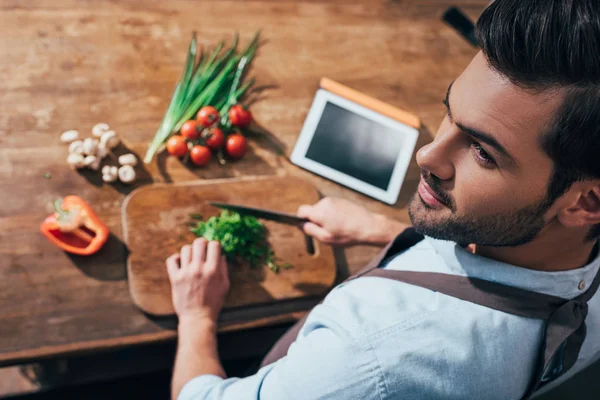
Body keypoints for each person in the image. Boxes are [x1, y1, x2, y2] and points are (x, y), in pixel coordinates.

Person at [166, 0, 600, 398]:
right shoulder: (554, 239)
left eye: (483, 152)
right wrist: (387, 233)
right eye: (449, 110)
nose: (426, 155)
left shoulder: (368, 357)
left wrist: (196, 318)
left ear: (586, 204)